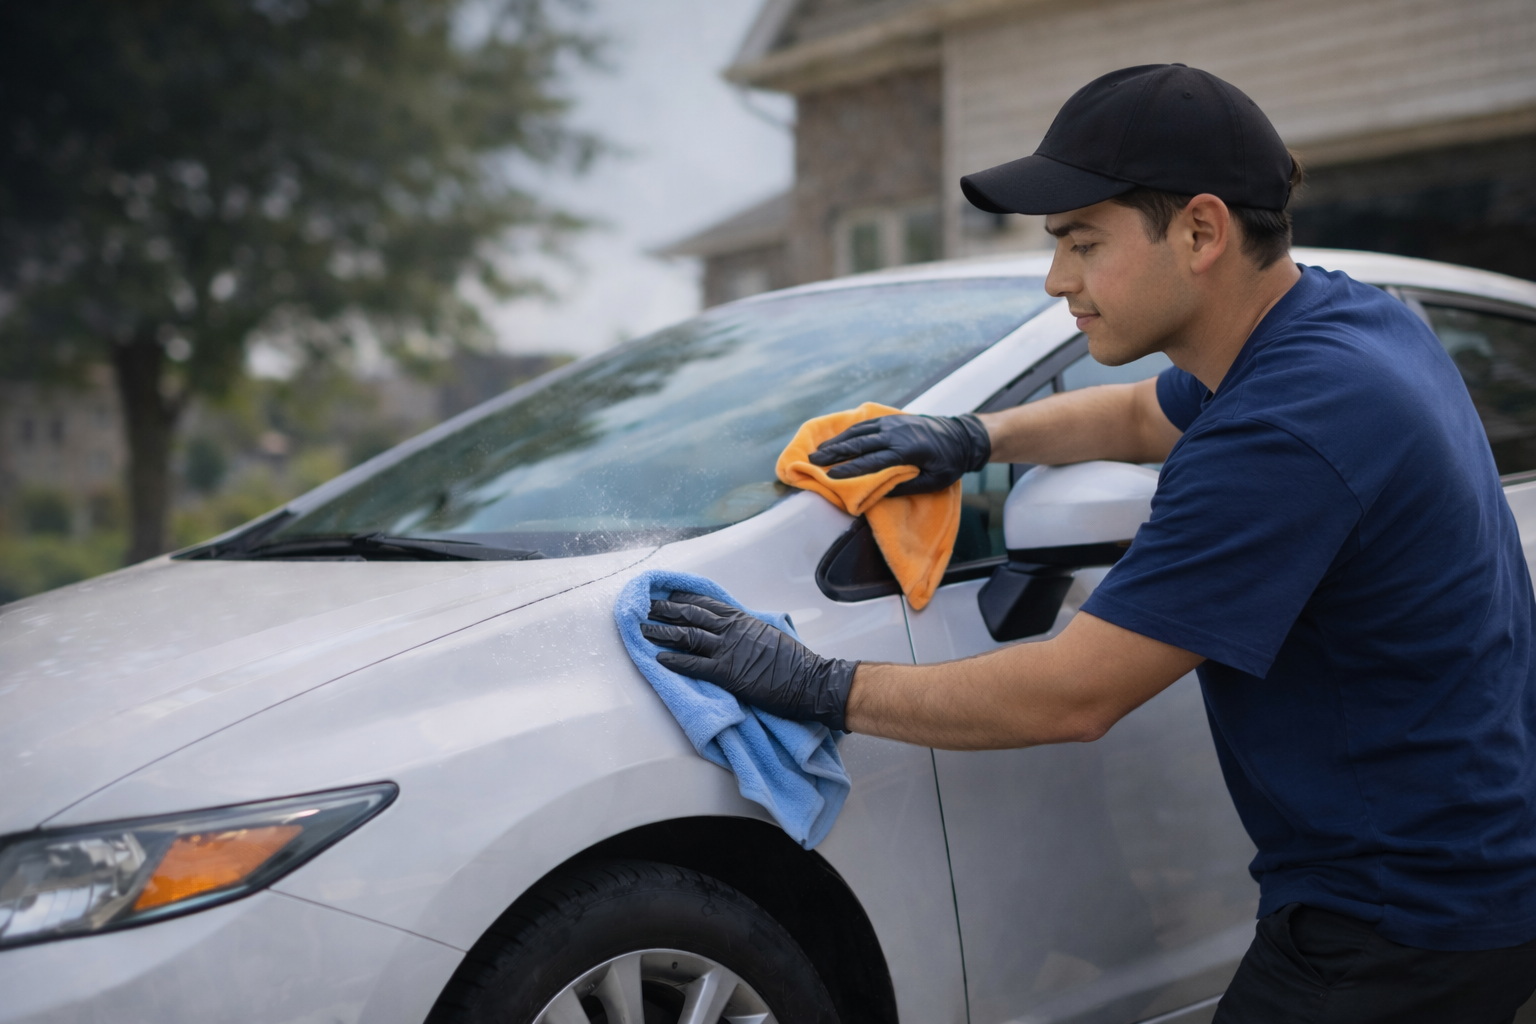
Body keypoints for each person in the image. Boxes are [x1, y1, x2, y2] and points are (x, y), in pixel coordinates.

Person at [641, 64, 1536, 1022]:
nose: (1057, 277)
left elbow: (1076, 694)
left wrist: (816, 683)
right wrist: (976, 438)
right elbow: (1150, 414)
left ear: (1200, 231)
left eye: (1082, 242)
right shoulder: (1339, 324)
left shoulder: (1289, 428)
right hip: (1462, 871)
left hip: (1397, 922)